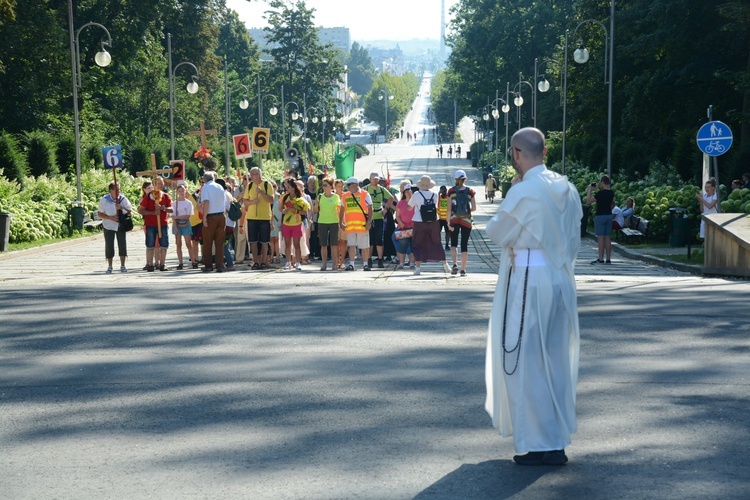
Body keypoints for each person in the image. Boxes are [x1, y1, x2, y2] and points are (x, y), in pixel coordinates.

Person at [485, 127, 582, 466]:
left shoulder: (525, 191)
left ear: (516, 153)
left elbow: (498, 232)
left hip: (528, 278)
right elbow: (573, 237)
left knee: (525, 360)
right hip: (558, 279)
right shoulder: (566, 187)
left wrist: (512, 194)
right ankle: (555, 440)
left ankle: (541, 443)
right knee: (553, 358)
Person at [408, 175, 450, 276]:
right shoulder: (435, 194)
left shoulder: (416, 194)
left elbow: (409, 207)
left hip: (419, 221)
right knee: (437, 242)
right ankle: (445, 264)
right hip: (433, 221)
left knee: (417, 243)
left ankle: (418, 268)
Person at [241, 167, 275, 270]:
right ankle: (256, 262)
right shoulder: (249, 186)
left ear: (259, 174)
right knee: (253, 241)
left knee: (265, 241)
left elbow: (271, 200)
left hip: (264, 217)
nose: (252, 176)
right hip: (251, 217)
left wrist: (261, 193)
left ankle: (264, 262)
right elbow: (245, 201)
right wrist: (252, 202)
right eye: (251, 174)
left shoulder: (267, 185)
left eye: (254, 174)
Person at [138, 177, 173, 272]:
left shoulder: (166, 196)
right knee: (150, 244)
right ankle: (150, 264)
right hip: (150, 224)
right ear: (154, 184)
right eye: (158, 183)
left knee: (164, 244)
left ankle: (162, 264)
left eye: (161, 183)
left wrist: (163, 208)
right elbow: (140, 210)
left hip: (162, 224)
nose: (160, 185)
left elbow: (172, 209)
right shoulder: (149, 196)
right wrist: (153, 213)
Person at [447, 169, 477, 277]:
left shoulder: (451, 191)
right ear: (465, 179)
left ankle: (455, 264)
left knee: (453, 243)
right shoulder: (470, 192)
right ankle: (463, 270)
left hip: (454, 219)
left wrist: (448, 222)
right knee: (464, 245)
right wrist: (467, 210)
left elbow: (449, 209)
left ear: (455, 179)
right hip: (467, 220)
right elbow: (474, 208)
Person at [98, 181, 132, 273]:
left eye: (119, 189)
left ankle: (123, 265)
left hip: (120, 225)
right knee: (109, 245)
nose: (118, 191)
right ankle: (110, 266)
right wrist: (111, 218)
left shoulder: (122, 199)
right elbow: (100, 214)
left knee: (122, 244)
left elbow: (129, 210)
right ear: (111, 190)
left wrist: (121, 208)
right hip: (108, 226)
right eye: (116, 190)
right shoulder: (104, 200)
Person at [340, 177, 373, 271]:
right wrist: (341, 222)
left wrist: (369, 222)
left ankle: (366, 264)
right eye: (348, 185)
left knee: (364, 246)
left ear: (356, 184)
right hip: (350, 225)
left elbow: (370, 208)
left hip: (362, 225)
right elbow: (342, 210)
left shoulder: (365, 194)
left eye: (349, 185)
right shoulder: (345, 196)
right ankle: (351, 264)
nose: (348, 186)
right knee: (351, 245)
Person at [199, 171, 227, 273]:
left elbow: (206, 202)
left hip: (211, 216)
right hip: (221, 215)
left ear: (204, 179)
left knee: (207, 242)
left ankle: (208, 265)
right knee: (219, 243)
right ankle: (219, 265)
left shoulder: (206, 187)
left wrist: (204, 217)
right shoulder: (220, 187)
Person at [280, 178, 310, 270]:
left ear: (293, 188)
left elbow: (305, 212)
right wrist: (284, 210)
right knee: (287, 244)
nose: (287, 188)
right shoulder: (285, 197)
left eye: (288, 187)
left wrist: (296, 210)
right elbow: (280, 208)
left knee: (297, 245)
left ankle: (297, 262)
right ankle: (288, 262)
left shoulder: (300, 198)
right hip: (286, 223)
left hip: (297, 223)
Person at [365, 171, 393, 268]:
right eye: (374, 178)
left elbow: (391, 198)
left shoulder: (382, 189)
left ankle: (380, 259)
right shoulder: (366, 189)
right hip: (369, 217)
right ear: (370, 179)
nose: (376, 180)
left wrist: (386, 209)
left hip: (379, 216)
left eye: (377, 179)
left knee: (379, 239)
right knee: (370, 239)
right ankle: (369, 259)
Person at [314, 177, 341, 271]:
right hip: (322, 222)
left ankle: (334, 264)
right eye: (323, 185)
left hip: (334, 221)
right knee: (323, 244)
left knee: (334, 244)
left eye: (326, 185)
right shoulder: (320, 196)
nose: (324, 187)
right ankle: (324, 264)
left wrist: (341, 221)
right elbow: (315, 211)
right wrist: (316, 204)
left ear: (331, 186)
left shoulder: (336, 197)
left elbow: (339, 210)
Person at [587, 175, 614, 264]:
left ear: (602, 182)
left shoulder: (600, 194)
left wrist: (590, 189)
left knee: (601, 238)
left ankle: (601, 259)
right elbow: (603, 196)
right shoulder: (611, 193)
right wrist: (597, 189)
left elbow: (589, 201)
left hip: (600, 216)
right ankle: (608, 259)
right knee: (607, 237)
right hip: (609, 215)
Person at [171, 183, 195, 270]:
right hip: (177, 224)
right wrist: (176, 227)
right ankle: (180, 263)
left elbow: (188, 215)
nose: (181, 192)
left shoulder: (188, 203)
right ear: (177, 192)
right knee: (178, 244)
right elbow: (173, 216)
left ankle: (193, 261)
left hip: (185, 224)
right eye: (179, 191)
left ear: (185, 191)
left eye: (183, 190)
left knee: (188, 243)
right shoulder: (175, 203)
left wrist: (177, 217)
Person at [394, 183, 415, 270]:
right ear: (404, 193)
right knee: (403, 246)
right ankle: (401, 263)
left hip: (414, 228)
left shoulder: (415, 202)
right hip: (403, 228)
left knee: (413, 246)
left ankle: (412, 263)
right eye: (406, 192)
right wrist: (400, 223)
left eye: (410, 191)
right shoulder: (401, 203)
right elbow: (397, 216)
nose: (408, 193)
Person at [334, 179, 348, 270]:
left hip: (344, 220)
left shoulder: (346, 196)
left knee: (343, 241)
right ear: (335, 187)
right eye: (338, 186)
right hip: (334, 220)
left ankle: (342, 261)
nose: (340, 188)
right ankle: (336, 261)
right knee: (336, 242)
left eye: (342, 186)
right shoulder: (332, 196)